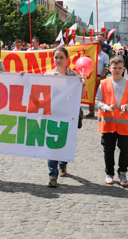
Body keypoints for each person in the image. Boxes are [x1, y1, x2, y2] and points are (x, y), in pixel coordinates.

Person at [35, 47, 86, 187]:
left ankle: (63, 164)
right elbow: (40, 92)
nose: (58, 60)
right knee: (52, 144)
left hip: (68, 115)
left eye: (61, 57)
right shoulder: (48, 75)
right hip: (52, 114)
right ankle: (52, 175)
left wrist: (83, 83)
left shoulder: (74, 75)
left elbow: (81, 96)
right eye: (56, 57)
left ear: (67, 59)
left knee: (65, 143)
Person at [95, 56, 128, 186]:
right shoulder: (104, 83)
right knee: (108, 149)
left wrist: (127, 106)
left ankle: (122, 172)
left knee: (125, 149)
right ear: (110, 69)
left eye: (119, 68)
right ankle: (109, 172)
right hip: (108, 123)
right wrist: (106, 107)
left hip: (124, 124)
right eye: (114, 68)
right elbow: (97, 100)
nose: (117, 70)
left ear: (124, 69)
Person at [87, 42, 109, 117]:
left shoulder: (104, 55)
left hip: (100, 77)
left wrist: (101, 76)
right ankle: (91, 111)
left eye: (97, 45)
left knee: (101, 95)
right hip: (91, 77)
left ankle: (102, 111)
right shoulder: (92, 54)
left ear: (100, 46)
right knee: (91, 95)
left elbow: (106, 68)